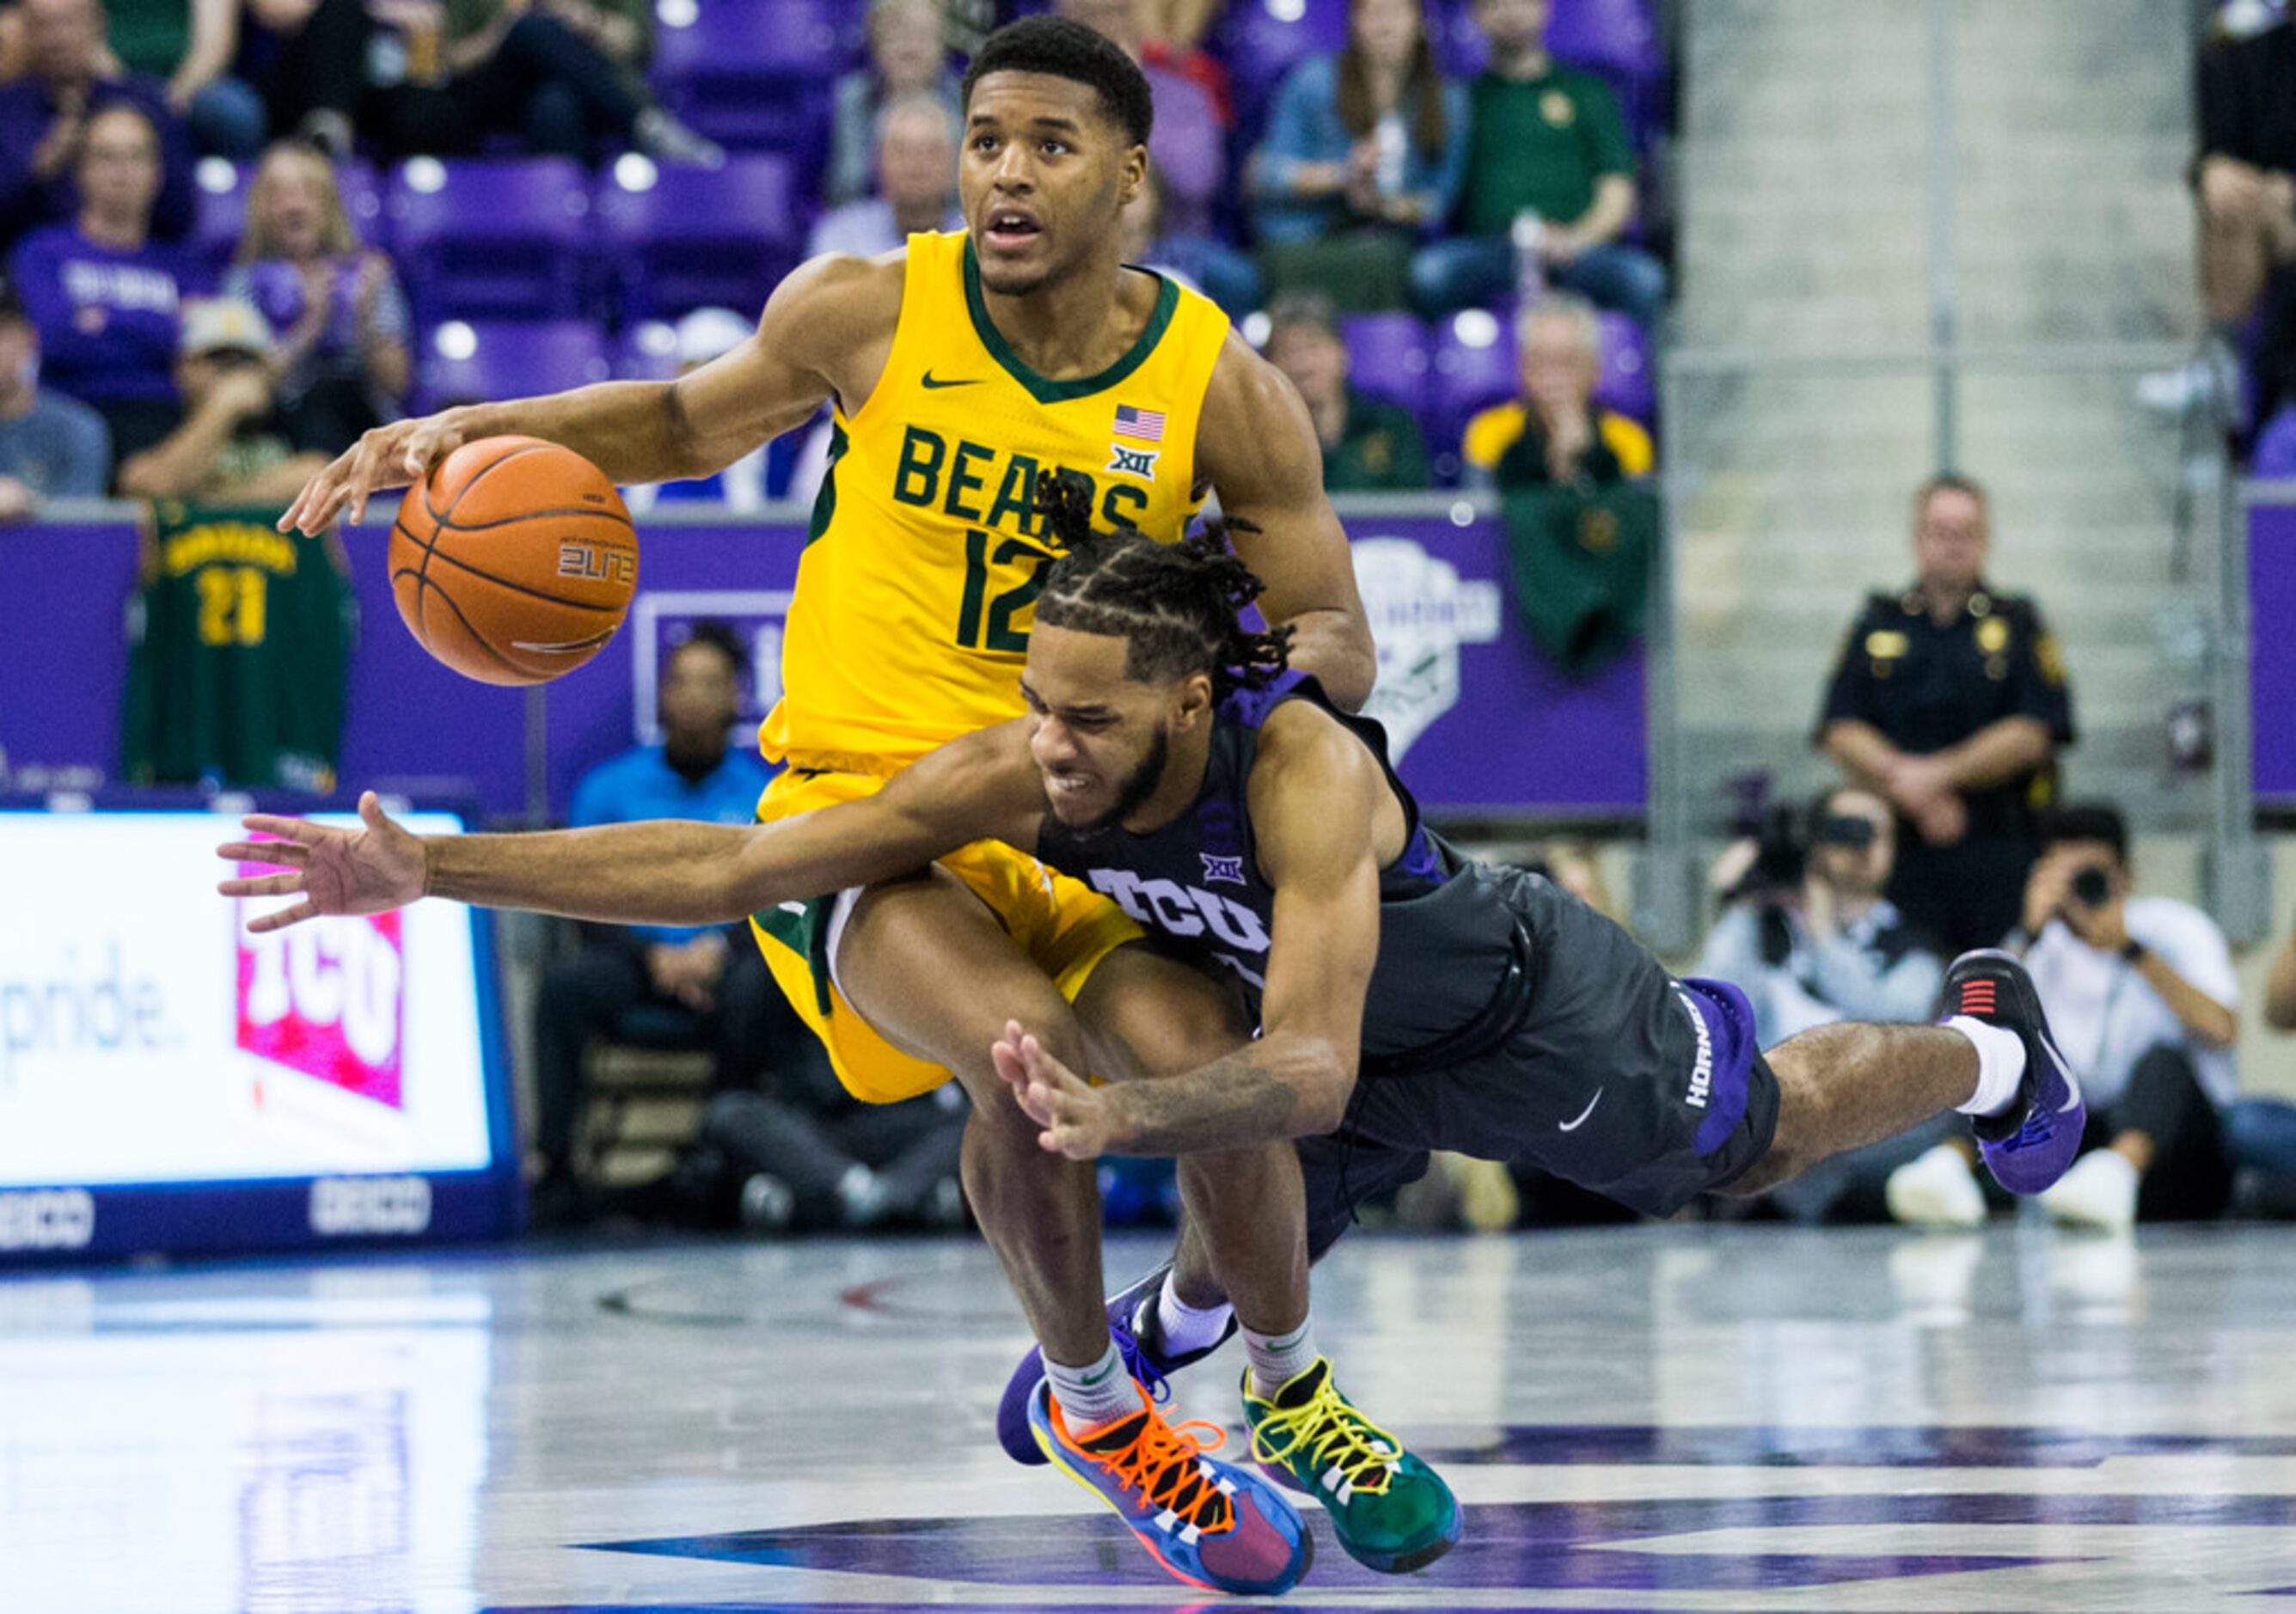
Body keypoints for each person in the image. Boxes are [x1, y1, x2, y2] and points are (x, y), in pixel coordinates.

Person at [222, 501, 2096, 1580]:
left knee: (1750, 1137)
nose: (1049, 748)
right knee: (1213, 1165)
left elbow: (1314, 1071)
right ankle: (1169, 1381)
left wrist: (1119, 1109)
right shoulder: (1029, 758)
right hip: (1316, 1049)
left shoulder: (1305, 781)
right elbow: (737, 859)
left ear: (1194, 700)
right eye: (1035, 707)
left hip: (1517, 1010)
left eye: (1090, 722)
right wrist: (437, 867)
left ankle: (1992, 1043)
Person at [273, 17, 1378, 1597]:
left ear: (1129, 174)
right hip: (857, 804)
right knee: (1036, 1062)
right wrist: (474, 428)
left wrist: (1246, 689)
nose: (1004, 169)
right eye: (987, 137)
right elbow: (673, 422)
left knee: (1212, 1055)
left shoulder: (1222, 387)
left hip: (1065, 805)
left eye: (1048, 144)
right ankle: (1097, 1408)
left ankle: (1289, 1385)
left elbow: (1335, 631)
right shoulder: (868, 305)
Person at [528, 623, 821, 1223]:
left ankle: (718, 1158)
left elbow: (784, 895)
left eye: (710, 684)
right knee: (561, 990)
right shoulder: (608, 789)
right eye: (680, 683)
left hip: (729, 969)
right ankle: (555, 1168)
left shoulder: (766, 795)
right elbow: (580, 893)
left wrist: (720, 950)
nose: (693, 697)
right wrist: (651, 959)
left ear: (736, 699)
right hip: (636, 963)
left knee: (764, 983)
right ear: (662, 697)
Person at [1890, 803, 2238, 1233]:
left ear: (2126, 876)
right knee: (1994, 1059)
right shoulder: (2037, 945)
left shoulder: (2172, 927)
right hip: (2069, 1143)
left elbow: (2221, 1028)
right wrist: (2029, 933)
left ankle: (2116, 1173)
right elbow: (1955, 1031)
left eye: (2091, 876)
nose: (2079, 890)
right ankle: (1946, 1169)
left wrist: (2129, 949)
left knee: (2163, 1061)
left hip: (2175, 1147)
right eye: (2064, 876)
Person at [1815, 473, 2076, 956]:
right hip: (1897, 854)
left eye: (1966, 533)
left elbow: (2035, 731)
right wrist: (1910, 791)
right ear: (1917, 539)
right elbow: (1840, 729)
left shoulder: (2018, 621)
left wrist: (1934, 777)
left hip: (1999, 850)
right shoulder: (1877, 620)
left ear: (1985, 541)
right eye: (1940, 531)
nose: (1952, 545)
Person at [1407, 0, 1665, 330]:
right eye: (1493, 4)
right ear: (1475, 16)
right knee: (1431, 275)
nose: (1509, 12)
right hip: (1492, 249)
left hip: (1576, 247)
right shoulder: (1460, 100)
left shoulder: (1588, 91)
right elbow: (1435, 187)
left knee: (1643, 280)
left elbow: (1617, 191)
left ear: (1544, 6)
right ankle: (1457, 372)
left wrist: (1576, 240)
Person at [9, 102, 198, 468]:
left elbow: (202, 356)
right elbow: (53, 341)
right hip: (67, 417)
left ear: (157, 172)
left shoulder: (184, 265)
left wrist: (103, 320)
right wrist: (165, 327)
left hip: (167, 422)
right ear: (81, 171)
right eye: (107, 157)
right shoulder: (42, 252)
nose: (122, 171)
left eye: (136, 157)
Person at [1249, 0, 1466, 312]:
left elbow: (1439, 202)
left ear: (1421, 24)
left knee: (1389, 260)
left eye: (1396, 13)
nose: (1384, 25)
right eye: (1373, 13)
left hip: (1388, 242)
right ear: (1354, 23)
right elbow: (1267, 174)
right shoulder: (1313, 80)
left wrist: (1383, 204)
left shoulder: (1447, 100)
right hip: (1306, 238)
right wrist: (1342, 176)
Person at [1697, 786, 1945, 1048]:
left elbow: (1894, 1030)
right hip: (1766, 1082)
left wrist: (1823, 934)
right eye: (1843, 829)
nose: (1861, 843)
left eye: (1876, 833)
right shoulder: (1765, 922)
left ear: (1893, 847)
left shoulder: (1911, 947)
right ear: (1815, 840)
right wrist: (1738, 903)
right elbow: (1710, 1016)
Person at [220, 143, 413, 456]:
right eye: (279, 195)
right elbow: (247, 389)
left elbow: (397, 385)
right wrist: (310, 325)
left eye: (308, 192)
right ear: (262, 209)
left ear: (329, 205)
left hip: (359, 416)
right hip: (280, 426)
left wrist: (364, 319)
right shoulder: (243, 283)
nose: (294, 206)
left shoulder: (368, 274)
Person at [373, 0, 721, 165]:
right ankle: (646, 122)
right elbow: (451, 61)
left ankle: (558, 227)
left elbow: (636, 45)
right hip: (491, 91)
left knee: (556, 102)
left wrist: (588, 20)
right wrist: (505, 30)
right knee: (530, 28)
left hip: (579, 93)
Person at [0, 0, 195, 243]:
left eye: (68, 22)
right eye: (42, 25)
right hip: (30, 263)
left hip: (139, 259)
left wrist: (133, 177)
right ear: (25, 32)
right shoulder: (7, 110)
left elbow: (181, 212)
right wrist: (36, 172)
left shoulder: (145, 104)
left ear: (98, 23)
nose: (57, 39)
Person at [115, 297, 330, 502]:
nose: (233, 373)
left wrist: (214, 503)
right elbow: (151, 488)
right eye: (218, 359)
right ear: (183, 368)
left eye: (246, 360)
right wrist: (223, 409)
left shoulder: (291, 414)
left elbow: (323, 477)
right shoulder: (155, 414)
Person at [1056, 0, 1226, 237]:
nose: (1103, 28)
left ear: (1135, 19)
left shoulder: (1181, 93)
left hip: (1172, 245)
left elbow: (1195, 182)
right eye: (1088, 16)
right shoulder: (1042, 96)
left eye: (1115, 14)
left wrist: (1125, 100)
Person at [1461, 294, 1649, 491]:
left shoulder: (1628, 441)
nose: (1553, 379)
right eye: (1540, 362)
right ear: (1522, 369)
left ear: (1595, 371)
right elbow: (1486, 517)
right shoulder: (1488, 433)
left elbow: (1631, 517)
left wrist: (1575, 464)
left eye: (1566, 363)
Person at [159, 0, 377, 160]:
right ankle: (328, 127)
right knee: (231, 113)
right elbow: (275, 10)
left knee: (342, 12)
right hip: (256, 82)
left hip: (317, 78)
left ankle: (330, 125)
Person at [1260, 290, 1430, 492]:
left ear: (1342, 353)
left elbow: (1418, 511)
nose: (1302, 365)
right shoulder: (1258, 437)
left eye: (1313, 347)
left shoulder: (1391, 423)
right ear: (1268, 365)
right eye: (1287, 352)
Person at [825, 0, 964, 208]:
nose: (910, 48)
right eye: (895, 35)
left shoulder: (969, 102)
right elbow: (807, 196)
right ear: (874, 45)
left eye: (922, 35)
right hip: (858, 229)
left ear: (944, 45)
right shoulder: (843, 103)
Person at [805, 94, 964, 261]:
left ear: (956, 165)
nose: (916, 165)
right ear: (877, 162)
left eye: (932, 152)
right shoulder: (838, 239)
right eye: (901, 151)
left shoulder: (978, 243)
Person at [0, 275, 113, 504]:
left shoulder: (77, 428)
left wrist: (26, 504)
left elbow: (77, 529)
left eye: (1, 333)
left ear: (29, 339)